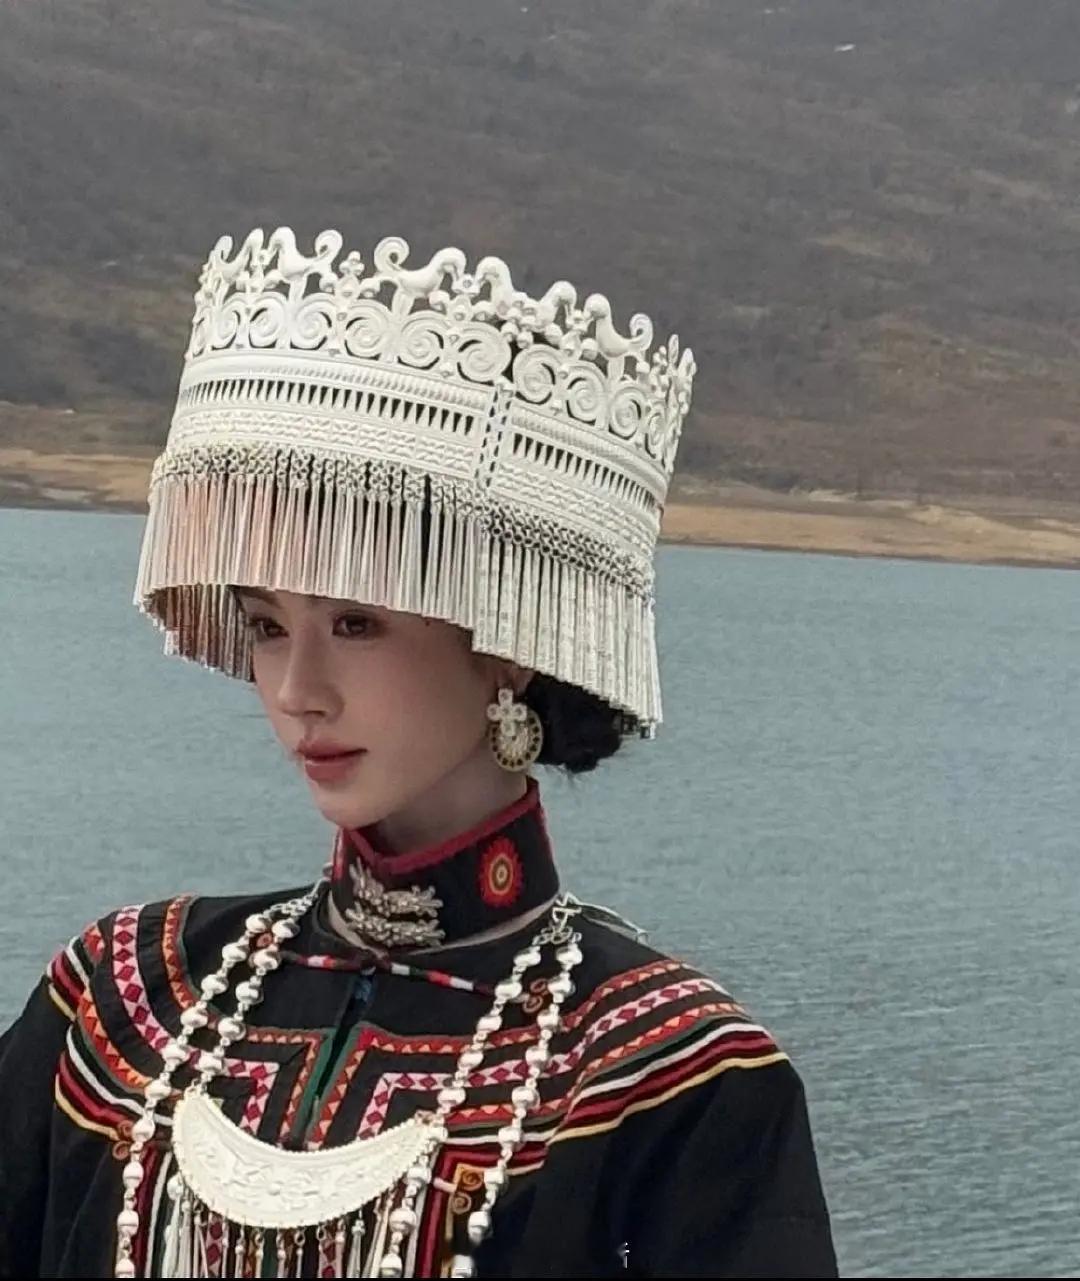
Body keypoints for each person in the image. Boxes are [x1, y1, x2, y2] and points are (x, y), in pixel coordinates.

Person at [0, 227, 837, 1278]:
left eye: (356, 623)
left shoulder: (667, 1074)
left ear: (506, 645)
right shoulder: (122, 997)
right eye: (267, 626)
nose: (297, 690)